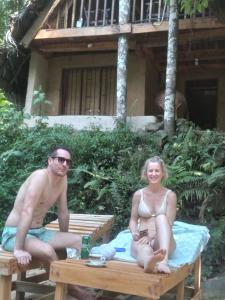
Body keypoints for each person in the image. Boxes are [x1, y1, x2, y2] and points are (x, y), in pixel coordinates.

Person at [1, 146, 93, 300]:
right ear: (50, 160)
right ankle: (72, 289)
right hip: (14, 233)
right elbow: (27, 211)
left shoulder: (62, 180)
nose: (65, 164)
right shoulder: (40, 177)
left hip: (39, 232)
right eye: (61, 159)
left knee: (79, 241)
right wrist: (18, 249)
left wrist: (64, 238)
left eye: (68, 162)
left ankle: (77, 280)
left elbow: (63, 212)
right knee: (48, 251)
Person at [129, 156, 177, 274]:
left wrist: (152, 237)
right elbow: (133, 220)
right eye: (150, 171)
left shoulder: (170, 196)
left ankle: (163, 262)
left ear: (162, 173)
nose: (153, 174)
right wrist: (134, 232)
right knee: (144, 249)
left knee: (161, 217)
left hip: (162, 241)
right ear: (146, 173)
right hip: (143, 239)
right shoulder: (138, 195)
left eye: (157, 171)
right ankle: (149, 262)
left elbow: (169, 224)